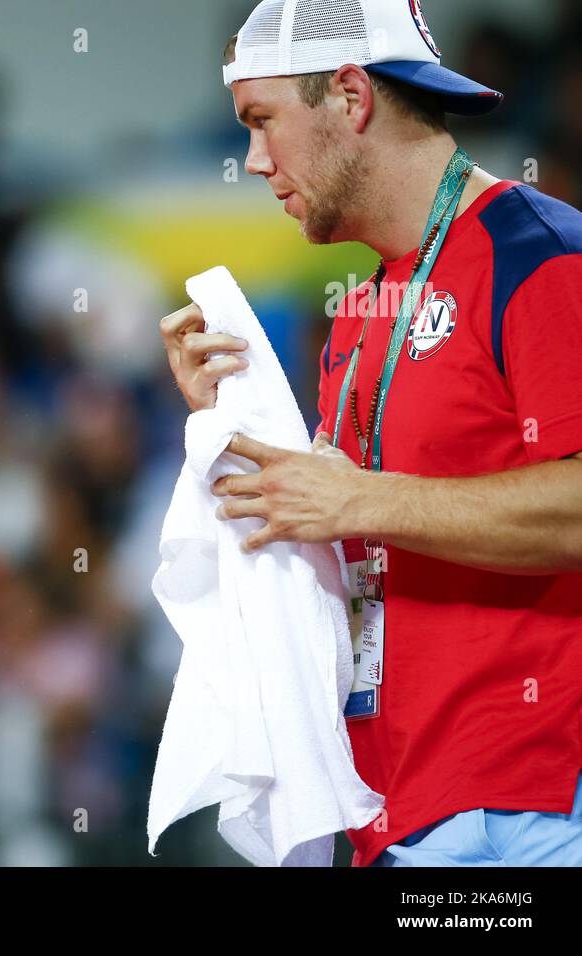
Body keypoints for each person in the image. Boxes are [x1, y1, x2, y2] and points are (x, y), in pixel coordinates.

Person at [160, 0, 582, 866]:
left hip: (533, 805)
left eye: (262, 120)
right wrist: (229, 423)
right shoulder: (358, 313)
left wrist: (361, 495)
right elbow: (336, 529)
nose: (253, 161)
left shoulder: (543, 257)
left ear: (350, 96)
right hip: (392, 808)